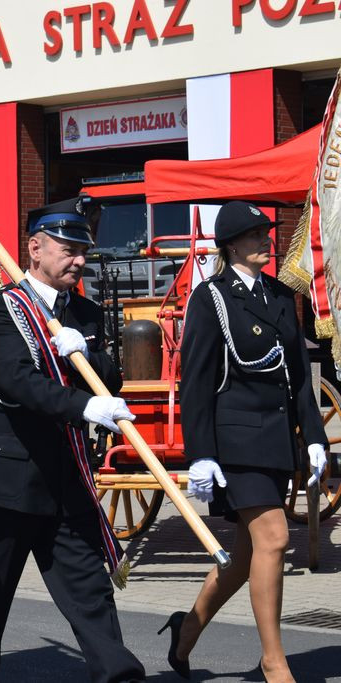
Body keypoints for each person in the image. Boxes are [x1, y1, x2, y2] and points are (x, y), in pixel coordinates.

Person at [0, 198, 146, 683]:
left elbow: (111, 376)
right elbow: (14, 382)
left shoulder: (83, 310)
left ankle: (119, 675)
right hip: (13, 479)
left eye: (84, 249)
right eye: (68, 247)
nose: (79, 259)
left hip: (68, 479)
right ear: (35, 248)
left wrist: (86, 356)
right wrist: (82, 405)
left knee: (90, 592)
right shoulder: (3, 307)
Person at [168, 201, 327, 683]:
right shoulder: (211, 298)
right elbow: (195, 380)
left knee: (245, 556)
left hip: (275, 443)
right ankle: (273, 660)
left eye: (267, 232)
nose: (266, 240)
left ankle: (186, 631)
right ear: (232, 244)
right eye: (256, 234)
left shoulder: (280, 296)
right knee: (276, 538)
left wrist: (314, 436)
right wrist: (201, 454)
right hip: (235, 444)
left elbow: (299, 376)